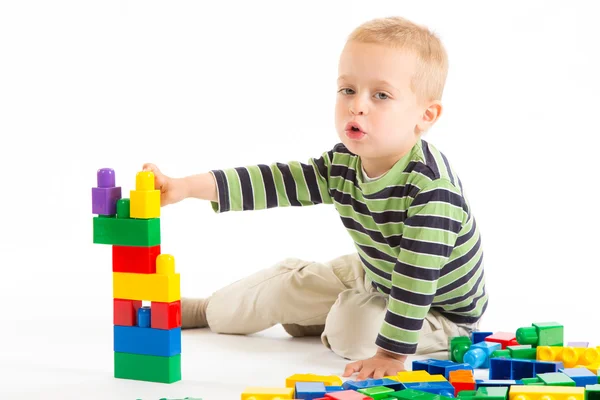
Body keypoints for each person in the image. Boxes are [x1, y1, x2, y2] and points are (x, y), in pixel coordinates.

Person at [143, 16, 487, 380]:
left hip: (437, 308)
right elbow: (275, 181)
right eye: (347, 90)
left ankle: (335, 318)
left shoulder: (432, 191)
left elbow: (416, 280)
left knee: (353, 328)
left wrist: (389, 356)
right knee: (282, 287)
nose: (357, 106)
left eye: (381, 95)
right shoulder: (343, 162)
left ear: (425, 115)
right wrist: (186, 187)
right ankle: (211, 310)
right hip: (375, 271)